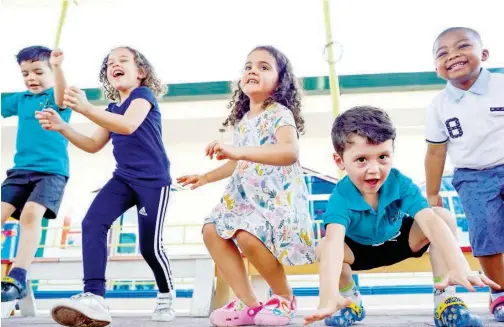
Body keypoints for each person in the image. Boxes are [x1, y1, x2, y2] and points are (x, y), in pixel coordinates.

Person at [304, 106, 498, 327]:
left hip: (400, 241)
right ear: (340, 162)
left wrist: (459, 265)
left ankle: (445, 299)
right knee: (325, 247)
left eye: (383, 157)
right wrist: (327, 296)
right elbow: (334, 244)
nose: (374, 169)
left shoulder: (399, 183)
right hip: (359, 251)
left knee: (442, 216)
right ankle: (349, 301)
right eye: (361, 160)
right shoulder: (340, 198)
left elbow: (431, 222)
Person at [35, 46, 175, 326]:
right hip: (123, 178)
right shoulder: (111, 109)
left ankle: (166, 295)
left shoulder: (142, 96)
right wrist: (63, 126)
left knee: (149, 246)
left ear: (141, 73)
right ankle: (95, 296)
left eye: (123, 61)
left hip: (153, 181)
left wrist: (86, 108)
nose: (115, 65)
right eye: (110, 63)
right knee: (92, 223)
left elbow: (127, 125)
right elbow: (92, 144)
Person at [178, 45, 316, 326]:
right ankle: (249, 302)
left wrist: (238, 152)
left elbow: (289, 152)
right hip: (244, 198)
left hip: (274, 198)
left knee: (247, 236)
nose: (253, 70)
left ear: (280, 83)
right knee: (211, 231)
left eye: (264, 67)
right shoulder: (243, 123)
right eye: (249, 66)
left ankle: (282, 297)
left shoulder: (279, 113)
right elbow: (235, 163)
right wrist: (205, 177)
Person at [425, 26, 504, 322]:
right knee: (485, 233)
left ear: (483, 54)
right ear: (436, 68)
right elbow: (435, 152)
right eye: (442, 53)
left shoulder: (501, 85)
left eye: (461, 47)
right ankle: (499, 291)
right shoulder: (438, 106)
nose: (453, 55)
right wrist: (432, 193)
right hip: (473, 177)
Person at [1, 46, 71, 303]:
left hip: (51, 173)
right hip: (19, 172)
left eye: (38, 72)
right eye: (25, 73)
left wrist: (59, 67)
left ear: (52, 73)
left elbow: (62, 97)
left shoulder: (56, 96)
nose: (31, 78)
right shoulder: (21, 99)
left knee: (31, 215)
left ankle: (18, 276)